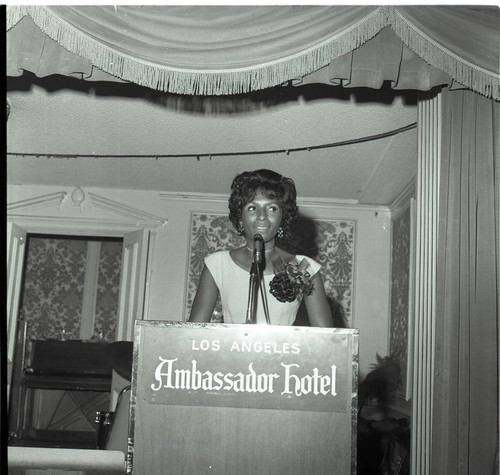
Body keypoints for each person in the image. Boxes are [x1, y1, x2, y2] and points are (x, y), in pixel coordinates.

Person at [189, 169, 332, 327]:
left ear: (282, 217)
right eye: (252, 208)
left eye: (272, 208)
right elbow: (193, 334)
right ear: (240, 217)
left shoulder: (305, 267)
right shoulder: (217, 265)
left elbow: (326, 341)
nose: (262, 216)